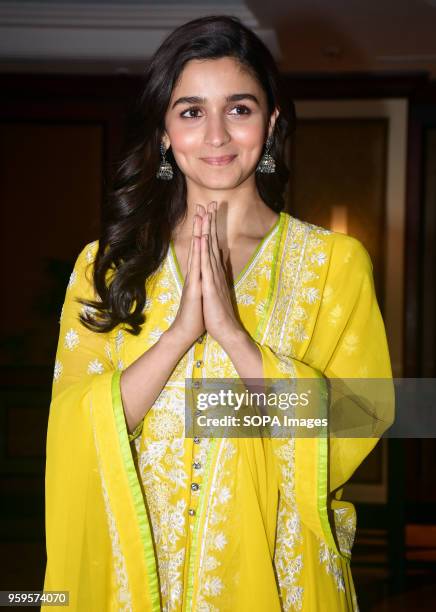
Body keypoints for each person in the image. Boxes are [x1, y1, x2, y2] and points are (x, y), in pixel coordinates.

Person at [43, 15, 394, 612]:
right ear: (162, 131)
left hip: (277, 577)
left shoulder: (333, 263)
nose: (215, 137)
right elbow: (72, 425)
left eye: (238, 108)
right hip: (137, 574)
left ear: (271, 120)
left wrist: (235, 338)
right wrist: (180, 335)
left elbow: (362, 418)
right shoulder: (107, 265)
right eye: (190, 111)